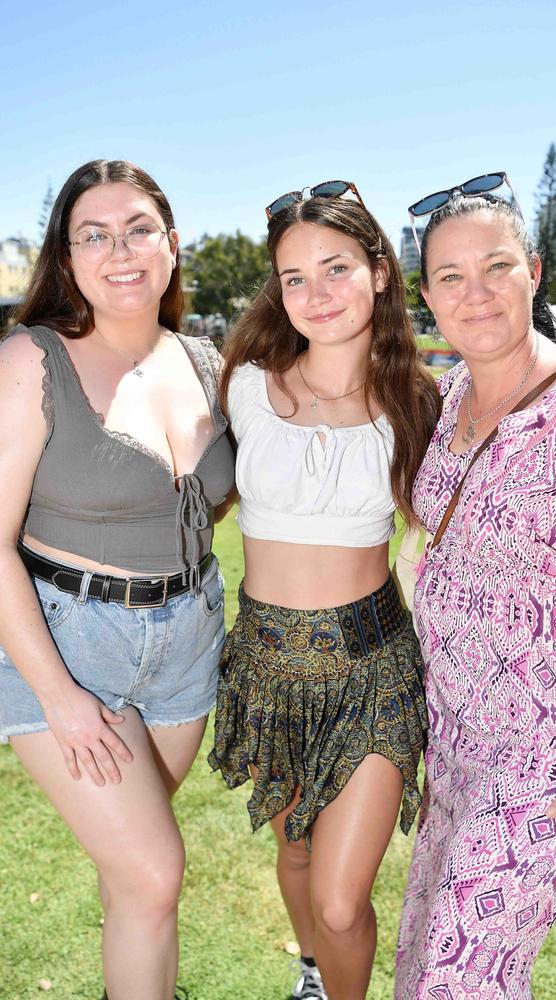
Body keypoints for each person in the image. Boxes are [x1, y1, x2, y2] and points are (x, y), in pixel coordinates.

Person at [395, 174, 556, 998]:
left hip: (548, 751)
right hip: (456, 736)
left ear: (534, 272)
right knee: (429, 957)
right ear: (427, 294)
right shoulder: (451, 394)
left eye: (497, 266)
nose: (477, 294)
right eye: (450, 277)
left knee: (454, 978)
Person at [0, 160, 235, 1000]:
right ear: (67, 259)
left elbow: (212, 497)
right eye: (93, 234)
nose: (120, 250)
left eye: (139, 228)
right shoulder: (32, 359)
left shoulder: (210, 362)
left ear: (172, 244)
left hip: (187, 643)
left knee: (133, 876)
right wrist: (60, 696)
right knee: (153, 873)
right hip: (66, 641)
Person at [208, 182, 441, 1000]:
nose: (315, 294)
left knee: (341, 903)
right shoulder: (242, 386)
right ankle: (313, 976)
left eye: (335, 267)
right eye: (295, 277)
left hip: (371, 668)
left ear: (380, 271)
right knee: (298, 853)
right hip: (266, 665)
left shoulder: (420, 401)